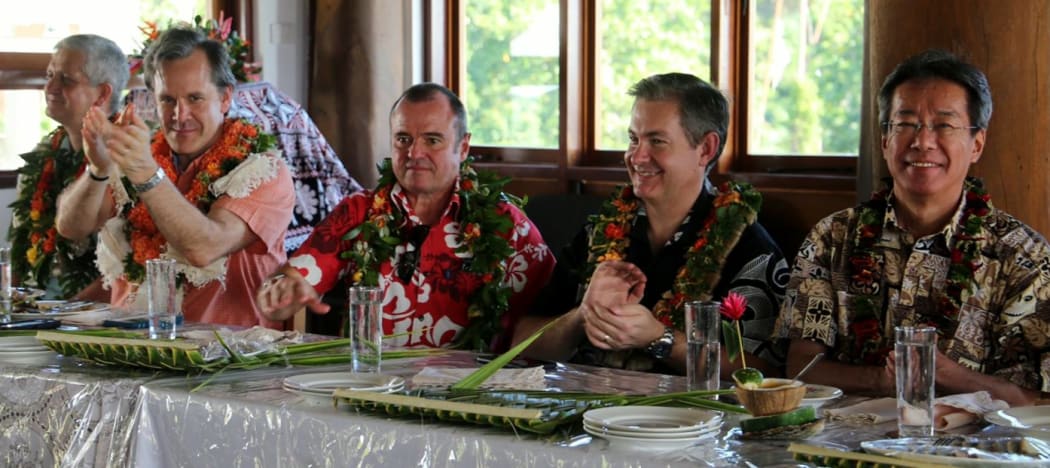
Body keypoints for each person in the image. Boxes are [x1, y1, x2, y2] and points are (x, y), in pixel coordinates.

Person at [775, 49, 1050, 407]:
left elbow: (1039, 401)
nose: (922, 141)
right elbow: (800, 368)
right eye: (905, 124)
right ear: (885, 140)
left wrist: (946, 375)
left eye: (944, 125)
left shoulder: (1024, 256)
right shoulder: (833, 237)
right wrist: (884, 379)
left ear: (977, 144)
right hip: (844, 448)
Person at [512, 73, 789, 376]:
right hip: (584, 413)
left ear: (706, 149)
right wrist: (583, 316)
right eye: (633, 139)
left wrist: (661, 339)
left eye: (657, 141)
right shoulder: (599, 235)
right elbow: (522, 344)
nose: (637, 157)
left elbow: (766, 374)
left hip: (691, 420)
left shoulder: (749, 248)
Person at [256, 83, 555, 350]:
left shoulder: (506, 224)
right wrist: (279, 292)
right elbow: (292, 281)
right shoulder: (358, 212)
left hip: (468, 400)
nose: (414, 153)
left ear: (463, 147)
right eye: (403, 139)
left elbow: (553, 317)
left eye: (432, 140)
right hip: (370, 390)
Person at [54, 27, 295, 329]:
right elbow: (71, 227)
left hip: (226, 359)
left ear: (224, 98)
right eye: (167, 100)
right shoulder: (142, 154)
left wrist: (146, 174)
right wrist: (98, 168)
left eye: (195, 98)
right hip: (130, 349)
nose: (180, 115)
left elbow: (203, 247)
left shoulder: (264, 171)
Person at [9, 34, 128, 300]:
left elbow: (131, 270)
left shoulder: (131, 155)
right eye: (50, 75)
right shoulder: (46, 150)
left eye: (66, 79)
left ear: (103, 93)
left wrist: (64, 316)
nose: (50, 86)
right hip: (36, 311)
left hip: (95, 320)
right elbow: (20, 245)